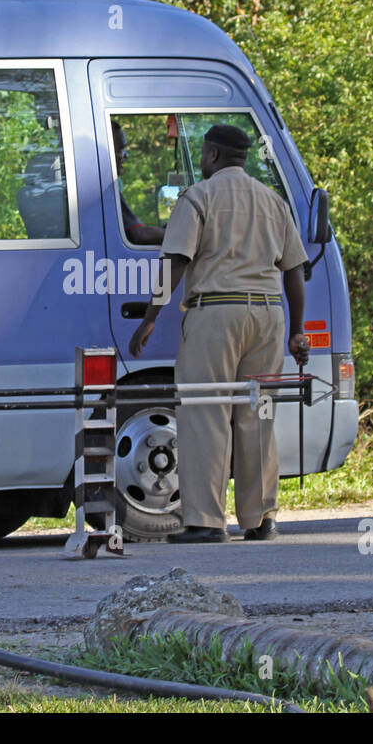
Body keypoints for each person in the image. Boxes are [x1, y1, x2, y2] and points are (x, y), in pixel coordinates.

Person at [128, 123, 309, 543]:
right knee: (258, 415)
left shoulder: (199, 197)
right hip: (268, 315)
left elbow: (174, 261)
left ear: (210, 155)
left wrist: (151, 317)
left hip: (215, 314)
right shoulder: (273, 202)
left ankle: (206, 521)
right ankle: (260, 518)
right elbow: (295, 271)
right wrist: (296, 331)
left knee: (204, 414)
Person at [112, 121, 164, 245]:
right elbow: (138, 235)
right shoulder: (105, 191)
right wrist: (182, 233)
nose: (126, 155)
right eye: (120, 149)